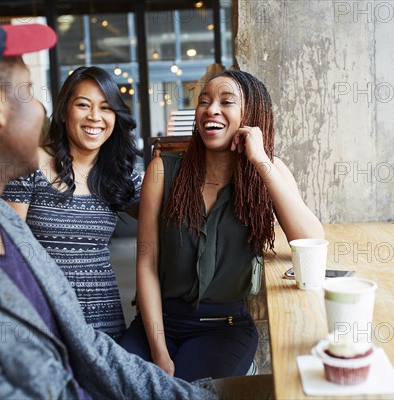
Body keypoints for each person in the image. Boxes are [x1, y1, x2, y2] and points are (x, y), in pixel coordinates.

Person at [0, 1, 272, 398]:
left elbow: (94, 353)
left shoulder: (5, 230)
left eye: (106, 108)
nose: (41, 107)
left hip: (109, 318)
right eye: (27, 90)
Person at [119, 68, 325, 381]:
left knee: (189, 392)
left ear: (250, 114)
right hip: (159, 324)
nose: (211, 109)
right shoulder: (162, 171)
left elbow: (311, 241)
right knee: (116, 386)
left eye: (226, 102)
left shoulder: (269, 171)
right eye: (204, 101)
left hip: (224, 329)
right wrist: (159, 352)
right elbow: (146, 265)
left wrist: (260, 161)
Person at [1, 66, 141, 340]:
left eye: (106, 108)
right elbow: (7, 248)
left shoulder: (119, 175)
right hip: (42, 309)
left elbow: (167, 217)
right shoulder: (30, 164)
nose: (95, 117)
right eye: (83, 105)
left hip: (103, 314)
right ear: (65, 112)